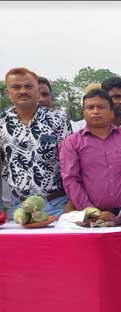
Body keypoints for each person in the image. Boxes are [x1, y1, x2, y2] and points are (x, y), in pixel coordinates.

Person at [0, 67, 72, 216]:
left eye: (28, 86)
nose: (23, 91)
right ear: (8, 92)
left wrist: (72, 203)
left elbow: (71, 164)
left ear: (37, 90)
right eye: (16, 87)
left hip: (56, 205)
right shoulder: (2, 122)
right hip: (18, 207)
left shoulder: (58, 119)